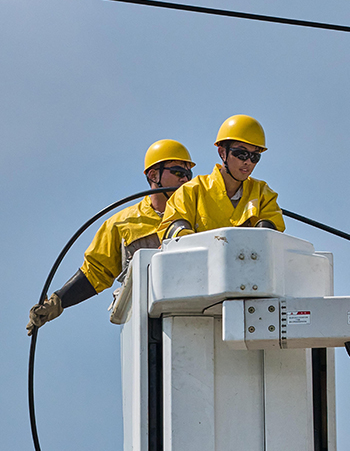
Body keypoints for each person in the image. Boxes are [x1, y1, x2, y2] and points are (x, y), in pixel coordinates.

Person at [27, 140, 195, 334]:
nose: (185, 180)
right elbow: (95, 272)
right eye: (178, 173)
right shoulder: (123, 223)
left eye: (188, 175)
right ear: (153, 174)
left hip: (194, 310)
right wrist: (56, 303)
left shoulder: (198, 214)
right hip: (145, 321)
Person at [159, 114, 284, 239]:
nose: (248, 162)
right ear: (222, 152)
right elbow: (172, 234)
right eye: (241, 154)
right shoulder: (191, 192)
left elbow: (271, 239)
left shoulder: (263, 194)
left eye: (255, 156)